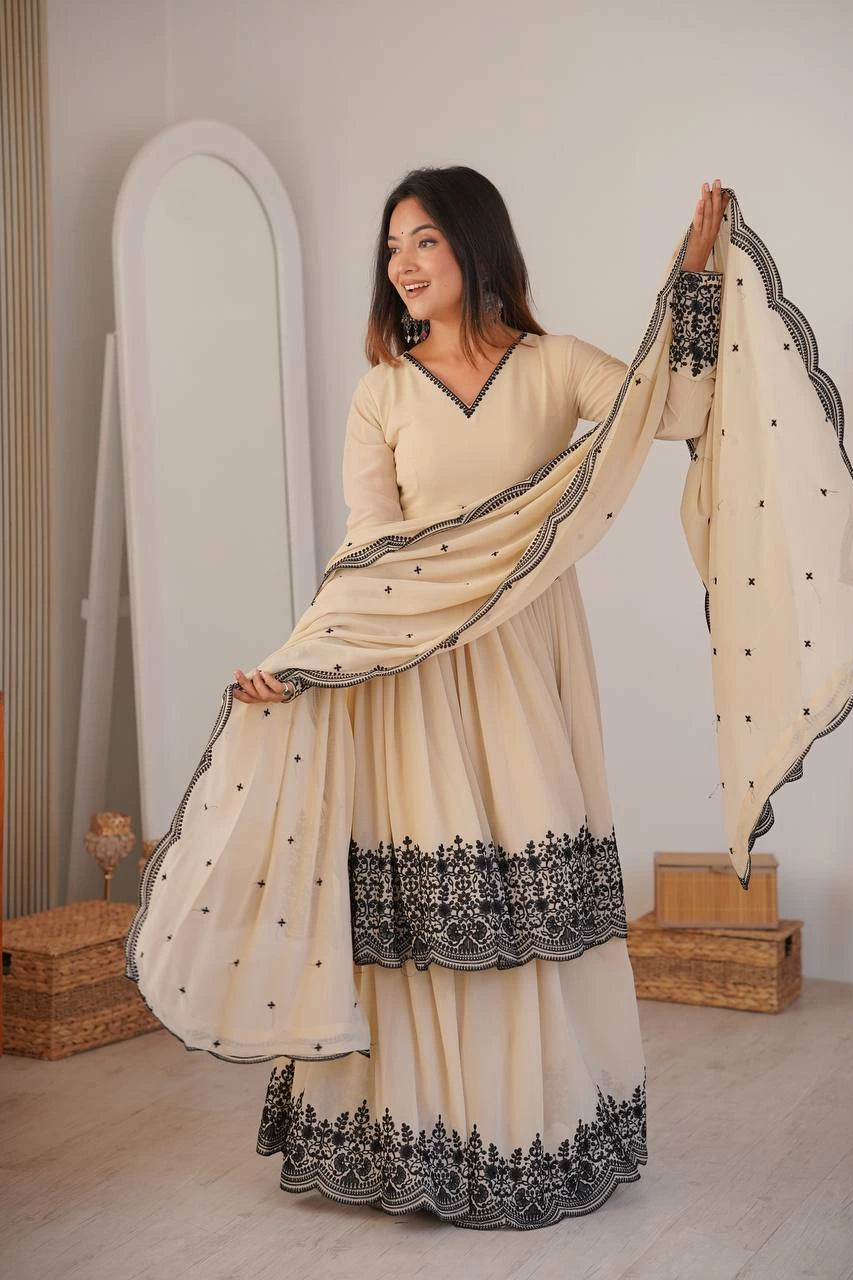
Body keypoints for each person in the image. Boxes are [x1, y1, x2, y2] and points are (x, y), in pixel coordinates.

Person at [242, 166, 727, 1229]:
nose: (401, 265)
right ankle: (422, 1140)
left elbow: (667, 402)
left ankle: (531, 1130)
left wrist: (689, 277)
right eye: (389, 248)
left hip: (521, 662)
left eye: (421, 241)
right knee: (428, 912)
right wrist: (303, 654)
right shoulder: (380, 388)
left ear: (473, 244)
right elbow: (364, 544)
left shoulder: (553, 367)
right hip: (408, 668)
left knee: (526, 890)